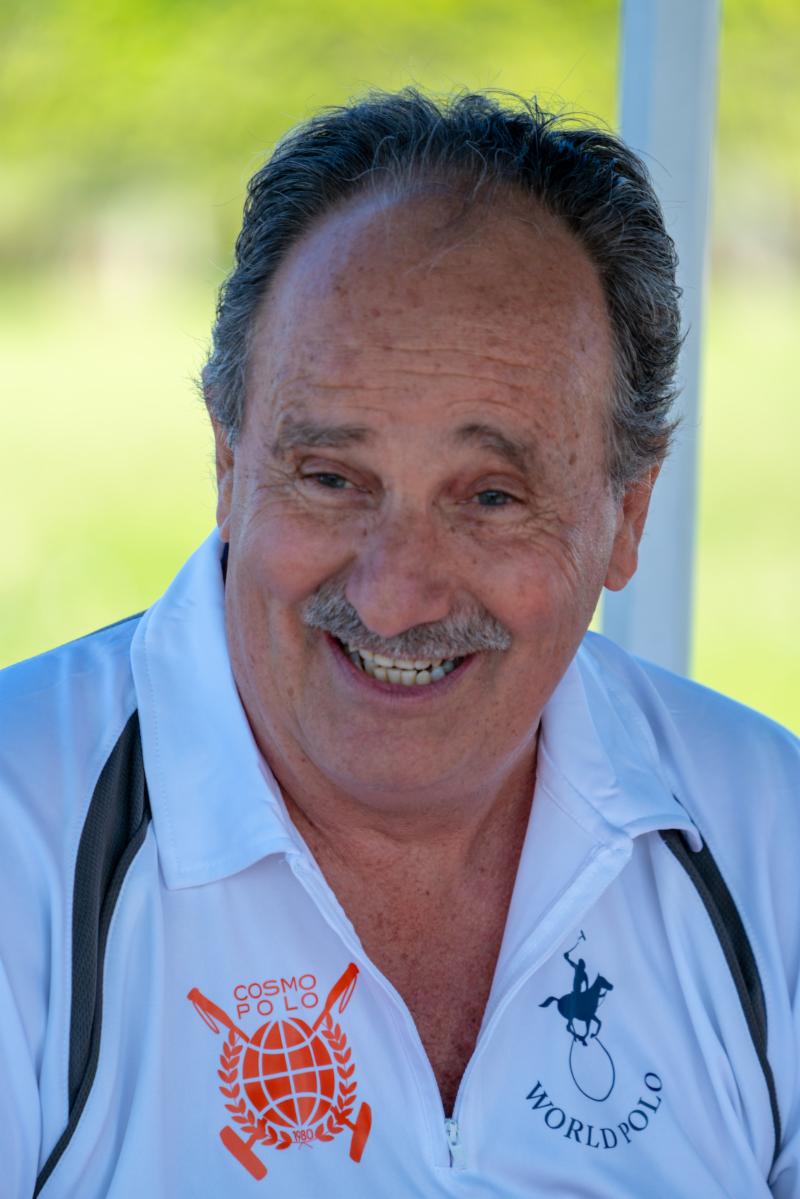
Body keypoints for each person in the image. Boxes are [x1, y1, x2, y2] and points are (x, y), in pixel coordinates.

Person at [1, 88, 797, 1198]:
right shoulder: (23, 834)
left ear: (627, 514)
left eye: (490, 496)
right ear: (228, 463)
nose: (392, 598)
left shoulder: (770, 834)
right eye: (331, 479)